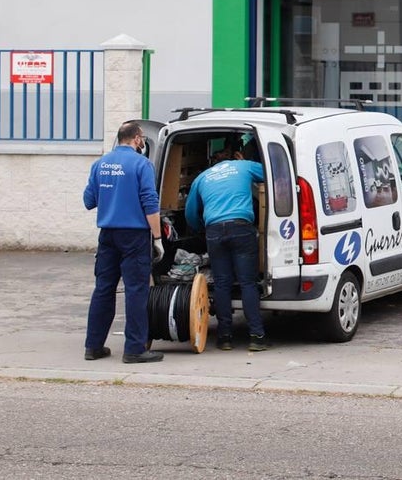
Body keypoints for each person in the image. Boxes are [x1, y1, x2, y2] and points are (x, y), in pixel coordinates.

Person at [83, 121, 164, 364]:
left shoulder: (100, 164)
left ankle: (93, 346)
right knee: (136, 291)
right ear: (138, 139)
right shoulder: (142, 164)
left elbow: (89, 200)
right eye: (141, 139)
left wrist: (112, 193)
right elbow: (150, 203)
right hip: (134, 236)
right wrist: (158, 238)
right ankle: (134, 350)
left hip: (107, 235)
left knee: (103, 289)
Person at [185, 143, 270, 351]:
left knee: (222, 283)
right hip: (241, 228)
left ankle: (224, 337)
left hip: (214, 231)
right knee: (247, 282)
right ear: (233, 157)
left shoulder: (202, 177)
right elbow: (272, 174)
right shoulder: (244, 166)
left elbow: (190, 213)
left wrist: (202, 230)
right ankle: (256, 336)